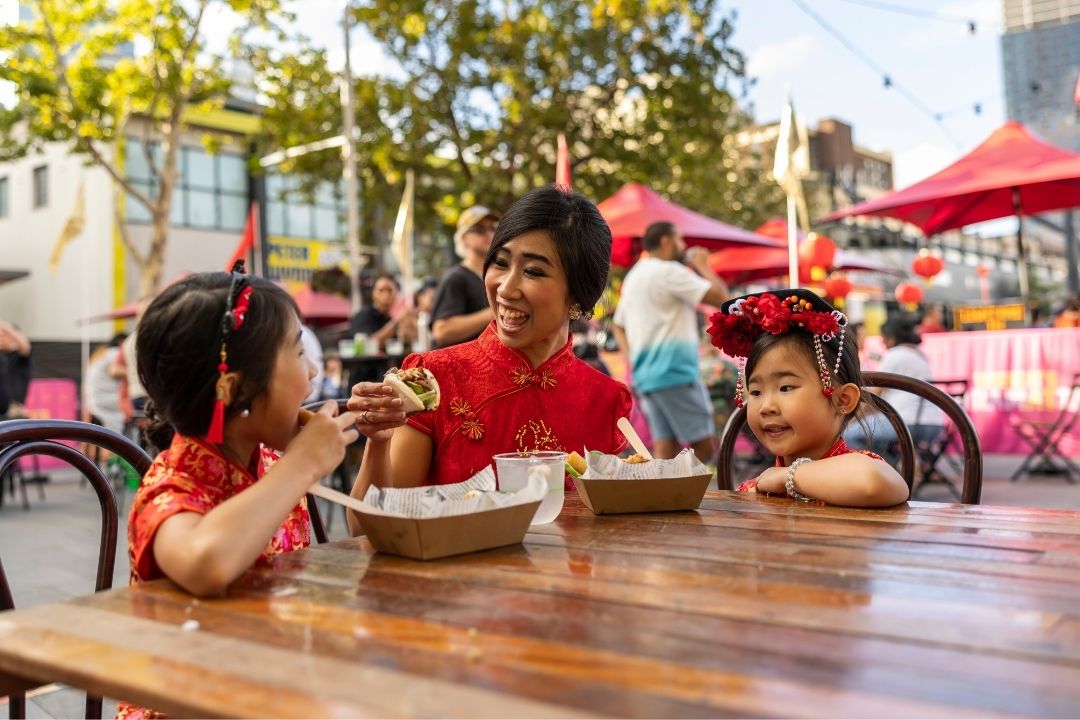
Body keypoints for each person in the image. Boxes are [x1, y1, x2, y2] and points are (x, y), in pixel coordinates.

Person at [344, 186, 632, 529]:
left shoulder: (604, 399)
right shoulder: (432, 379)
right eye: (500, 263)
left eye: (534, 271)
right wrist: (378, 443)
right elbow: (365, 529)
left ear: (580, 296)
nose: (505, 288)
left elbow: (612, 531)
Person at [708, 289, 908, 507]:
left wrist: (787, 477)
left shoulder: (858, 469)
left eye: (785, 387)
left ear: (843, 400)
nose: (766, 407)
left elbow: (872, 482)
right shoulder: (756, 488)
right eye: (756, 392)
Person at [611, 221, 729, 464]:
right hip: (675, 374)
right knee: (704, 447)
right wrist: (702, 265)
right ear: (665, 241)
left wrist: (632, 359)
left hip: (647, 377)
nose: (683, 245)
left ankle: (661, 497)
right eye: (679, 240)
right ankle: (681, 490)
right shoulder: (668, 271)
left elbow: (617, 324)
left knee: (664, 449)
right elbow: (722, 298)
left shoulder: (635, 275)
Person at [843, 316, 944, 465]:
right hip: (934, 425)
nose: (882, 342)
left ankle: (886, 474)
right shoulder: (920, 354)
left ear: (891, 337)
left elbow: (872, 398)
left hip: (905, 423)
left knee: (849, 435)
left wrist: (851, 420)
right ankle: (894, 469)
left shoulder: (893, 355)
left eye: (883, 338)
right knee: (873, 438)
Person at [430, 205, 501, 347]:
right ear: (464, 238)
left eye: (492, 228)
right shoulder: (455, 278)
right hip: (459, 366)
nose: (489, 234)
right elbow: (441, 331)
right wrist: (495, 312)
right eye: (480, 229)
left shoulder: (498, 275)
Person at [83, 333, 127, 433]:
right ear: (122, 343)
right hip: (108, 400)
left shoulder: (100, 354)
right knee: (137, 408)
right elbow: (114, 371)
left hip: (94, 401)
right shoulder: (115, 352)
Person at [0, 320, 31, 418]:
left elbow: (25, 347)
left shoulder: (19, 355)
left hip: (14, 409)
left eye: (3, 335)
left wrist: (6, 327)